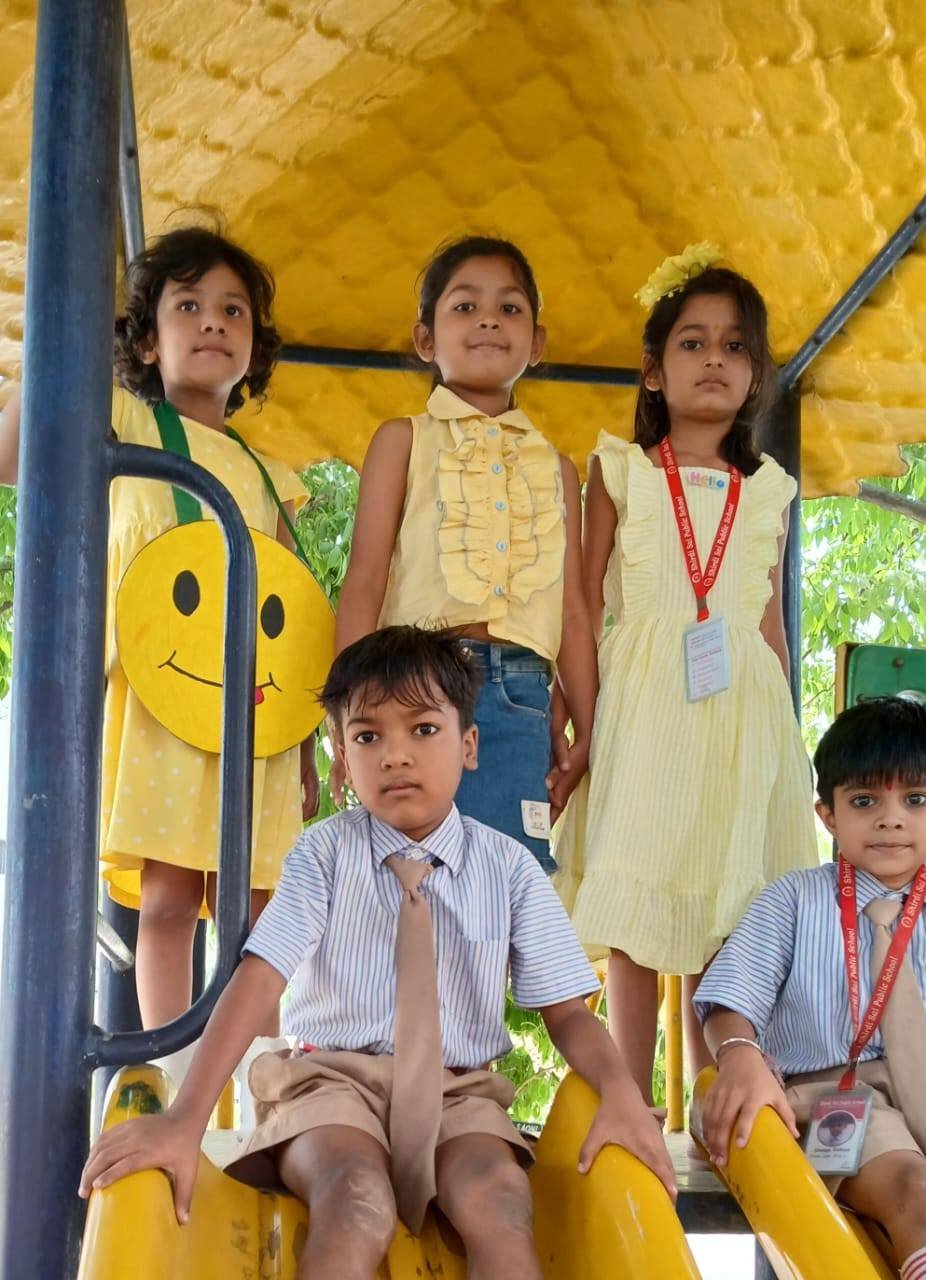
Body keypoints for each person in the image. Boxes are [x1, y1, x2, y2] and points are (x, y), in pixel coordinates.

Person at [79, 626, 676, 1280]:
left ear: (469, 745)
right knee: (356, 1201)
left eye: (423, 730)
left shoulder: (509, 869)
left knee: (502, 1202)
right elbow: (259, 979)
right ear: (341, 758)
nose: (395, 755)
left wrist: (620, 1091)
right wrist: (186, 1120)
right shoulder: (322, 854)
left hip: (458, 1094)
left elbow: (569, 1014)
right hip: (331, 1085)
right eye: (368, 737)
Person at [0, 226, 318, 1035]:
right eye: (189, 306)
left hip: (254, 711)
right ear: (145, 340)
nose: (213, 322)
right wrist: (58, 340)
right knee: (170, 895)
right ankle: (169, 1067)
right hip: (161, 696)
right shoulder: (123, 421)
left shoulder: (267, 475)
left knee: (258, 909)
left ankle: (257, 1077)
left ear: (254, 346)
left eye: (233, 310)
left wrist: (308, 741)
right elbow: (12, 456)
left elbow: (289, 621)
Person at [555, 243, 817, 1098]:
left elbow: (770, 627)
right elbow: (582, 604)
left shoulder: (770, 491)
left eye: (736, 346)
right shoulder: (621, 472)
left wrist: (787, 745)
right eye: (693, 342)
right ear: (653, 370)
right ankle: (627, 1100)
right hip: (643, 710)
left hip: (743, 717)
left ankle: (718, 1103)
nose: (715, 360)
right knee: (637, 897)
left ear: (756, 374)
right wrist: (578, 715)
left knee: (727, 902)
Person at [696, 697, 926, 1280]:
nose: (890, 819)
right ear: (828, 815)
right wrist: (739, 1055)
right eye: (864, 801)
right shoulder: (792, 901)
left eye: (915, 799)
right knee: (920, 1195)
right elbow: (730, 1001)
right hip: (839, 1094)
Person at [333, 235, 596, 874]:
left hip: (522, 701)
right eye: (465, 307)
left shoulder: (559, 468)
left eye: (510, 308)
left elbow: (572, 614)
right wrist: (347, 712)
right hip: (410, 694)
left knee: (504, 883)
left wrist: (590, 729)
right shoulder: (402, 440)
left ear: (537, 343)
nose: (488, 320)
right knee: (411, 878)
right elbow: (364, 580)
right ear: (426, 339)